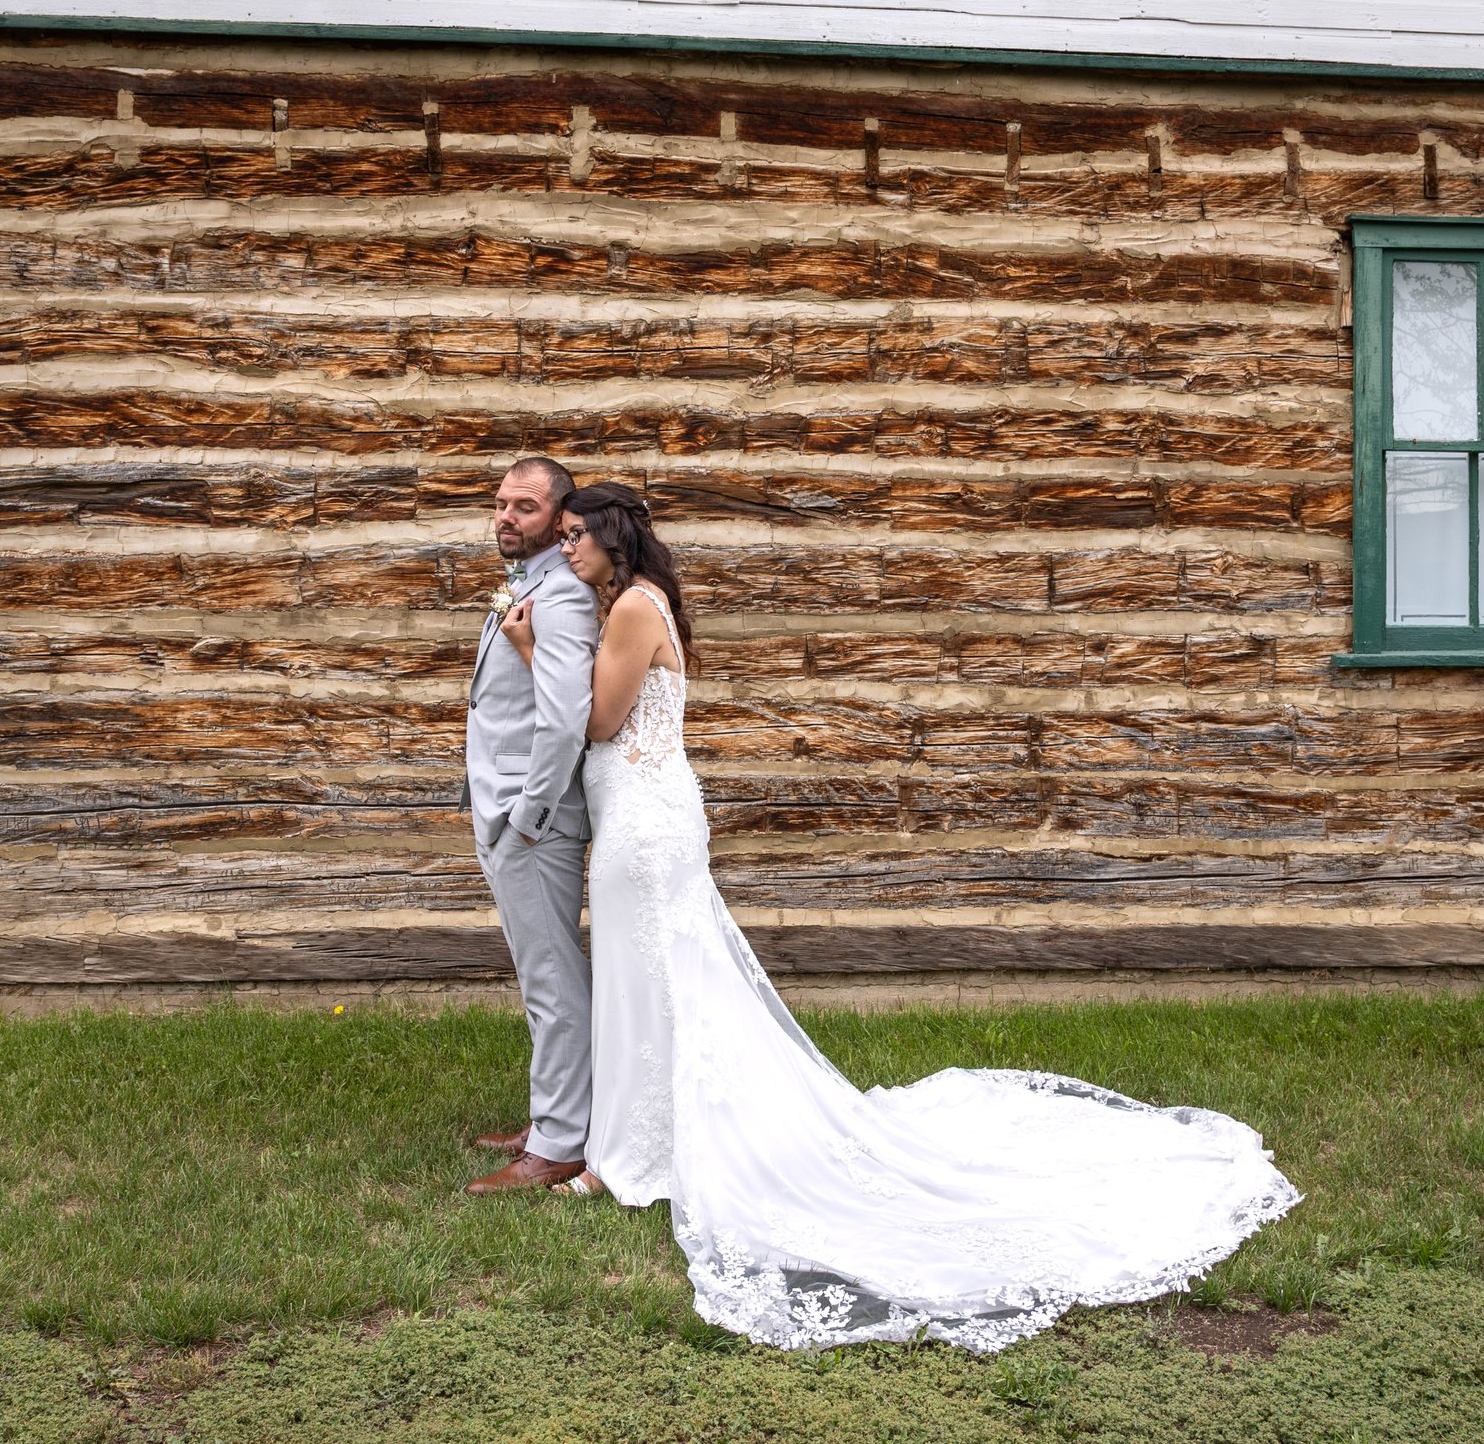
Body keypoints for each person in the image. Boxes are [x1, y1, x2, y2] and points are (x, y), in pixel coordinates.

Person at [497, 481, 1301, 1351]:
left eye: (579, 535)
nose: (568, 547)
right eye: (564, 533)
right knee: (658, 983)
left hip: (643, 830)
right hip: (650, 818)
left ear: (615, 539)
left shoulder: (627, 612)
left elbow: (601, 720)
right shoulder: (649, 601)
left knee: (648, 980)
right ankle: (638, 1136)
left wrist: (537, 646)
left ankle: (629, 1155)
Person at [460, 458, 602, 1195]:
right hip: (507, 807)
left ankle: (559, 1143)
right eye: (500, 503)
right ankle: (555, 1112)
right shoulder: (532, 582)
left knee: (552, 978)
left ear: (558, 513)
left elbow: (563, 720)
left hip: (532, 818)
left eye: (525, 506)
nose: (506, 517)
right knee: (540, 971)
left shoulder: (567, 597)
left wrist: (528, 816)